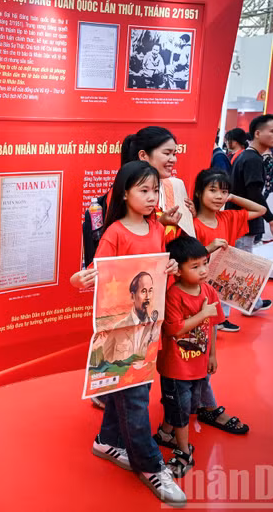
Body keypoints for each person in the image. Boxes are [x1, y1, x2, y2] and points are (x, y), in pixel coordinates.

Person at [71, 161, 186, 506]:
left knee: (131, 390)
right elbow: (97, 273)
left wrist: (171, 266)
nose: (152, 197)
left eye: (155, 190)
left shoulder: (156, 228)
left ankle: (107, 441)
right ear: (124, 193)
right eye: (143, 190)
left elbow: (158, 269)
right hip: (121, 331)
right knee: (135, 399)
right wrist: (79, 279)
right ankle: (149, 465)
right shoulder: (115, 233)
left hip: (148, 328)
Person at [154, 236, 225, 478]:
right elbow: (174, 329)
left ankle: (165, 433)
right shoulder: (173, 295)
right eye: (195, 266)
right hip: (176, 367)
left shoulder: (209, 291)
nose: (203, 270)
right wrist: (203, 313)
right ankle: (184, 450)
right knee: (180, 408)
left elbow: (213, 324)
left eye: (205, 263)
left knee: (180, 405)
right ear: (177, 270)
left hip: (198, 363)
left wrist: (212, 355)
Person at [82, 126, 184, 269]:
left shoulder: (157, 226)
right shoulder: (115, 230)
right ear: (143, 155)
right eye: (167, 153)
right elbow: (102, 268)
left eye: (174, 154)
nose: (173, 159)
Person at [193, 168, 267, 333]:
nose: (219, 196)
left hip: (220, 285)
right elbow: (186, 258)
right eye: (213, 190)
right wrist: (208, 248)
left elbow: (261, 210)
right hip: (198, 288)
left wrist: (233, 197)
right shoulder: (192, 223)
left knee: (212, 331)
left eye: (224, 191)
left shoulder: (227, 217)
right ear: (199, 193)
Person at [227, 114, 273, 312]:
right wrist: (272, 221)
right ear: (258, 133)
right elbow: (254, 195)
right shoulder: (252, 159)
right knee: (242, 265)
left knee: (243, 263)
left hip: (242, 220)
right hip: (244, 220)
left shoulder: (248, 156)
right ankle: (242, 307)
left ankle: (253, 303)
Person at [109, 272, 160, 359]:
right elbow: (106, 361)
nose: (148, 296)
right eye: (143, 291)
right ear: (133, 296)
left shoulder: (155, 327)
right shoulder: (118, 328)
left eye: (150, 290)